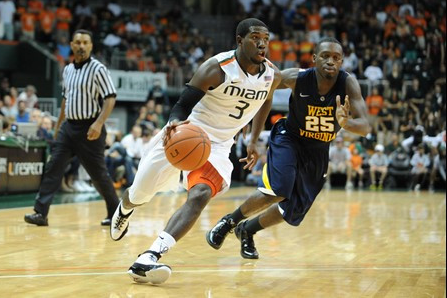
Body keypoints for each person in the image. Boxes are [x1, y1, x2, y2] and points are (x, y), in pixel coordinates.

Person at [109, 18, 281, 284]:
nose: (262, 43)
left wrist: (253, 139)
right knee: (140, 193)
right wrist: (175, 122)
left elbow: (266, 100)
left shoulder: (271, 74)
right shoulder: (216, 68)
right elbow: (182, 104)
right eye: (255, 37)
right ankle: (126, 206)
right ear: (239, 40)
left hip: (218, 145)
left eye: (266, 38)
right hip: (187, 132)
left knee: (200, 194)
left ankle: (151, 255)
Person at [206, 37, 370, 260]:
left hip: (319, 149)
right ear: (314, 59)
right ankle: (230, 221)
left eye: (336, 58)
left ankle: (248, 230)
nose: (331, 61)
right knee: (279, 189)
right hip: (290, 138)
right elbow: (264, 90)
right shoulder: (297, 77)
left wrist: (346, 123)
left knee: (292, 210)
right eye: (325, 56)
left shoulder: (348, 83)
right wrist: (249, 122)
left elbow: (365, 127)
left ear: (341, 62)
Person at [24, 29, 120, 227]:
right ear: (71, 45)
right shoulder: (67, 70)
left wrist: (99, 123)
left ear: (91, 46)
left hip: (90, 128)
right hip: (69, 128)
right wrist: (59, 126)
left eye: (86, 42)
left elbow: (110, 97)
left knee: (98, 175)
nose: (81, 46)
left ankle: (115, 212)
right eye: (78, 42)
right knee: (53, 167)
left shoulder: (98, 69)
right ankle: (40, 213)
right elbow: (66, 100)